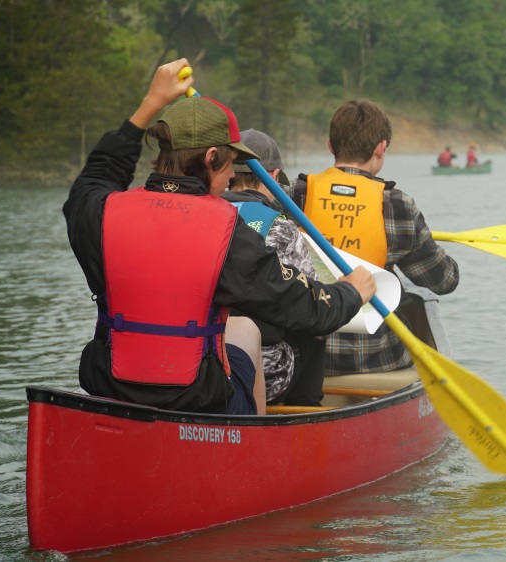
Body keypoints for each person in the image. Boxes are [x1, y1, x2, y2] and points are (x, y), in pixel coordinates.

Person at [63, 59, 375, 416]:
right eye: (229, 165)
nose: (230, 180)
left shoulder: (102, 213)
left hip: (110, 388)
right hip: (195, 398)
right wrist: (352, 291)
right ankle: (253, 448)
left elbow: (95, 177)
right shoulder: (224, 233)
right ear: (211, 157)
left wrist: (148, 106)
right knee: (244, 330)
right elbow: (305, 310)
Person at [289, 100, 460, 375]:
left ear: (331, 146)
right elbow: (444, 281)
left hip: (305, 356)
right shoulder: (397, 205)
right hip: (377, 358)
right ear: (381, 148)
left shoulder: (293, 194)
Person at [222, 129, 332, 406]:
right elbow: (310, 306)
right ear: (272, 176)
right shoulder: (281, 228)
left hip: (203, 363)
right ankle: (306, 410)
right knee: (316, 326)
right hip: (264, 372)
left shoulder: (199, 217)